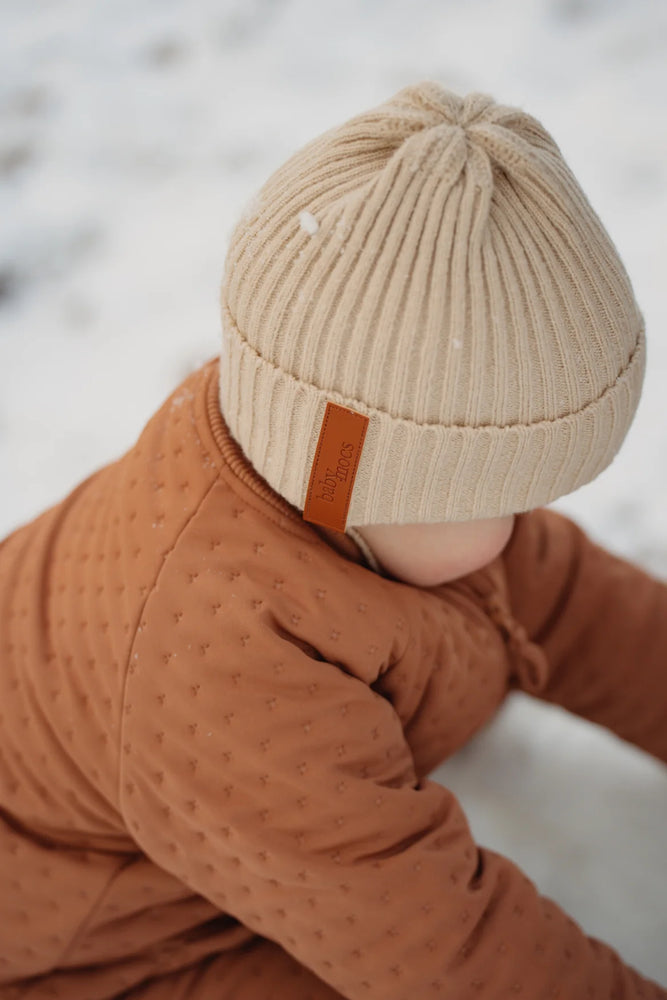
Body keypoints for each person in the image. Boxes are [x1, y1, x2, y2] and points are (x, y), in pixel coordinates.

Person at [0, 79, 664, 1000]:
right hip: (96, 933)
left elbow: (586, 611)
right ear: (374, 477)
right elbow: (437, 949)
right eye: (499, 493)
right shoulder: (222, 676)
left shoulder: (344, 465)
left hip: (235, 827)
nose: (527, 528)